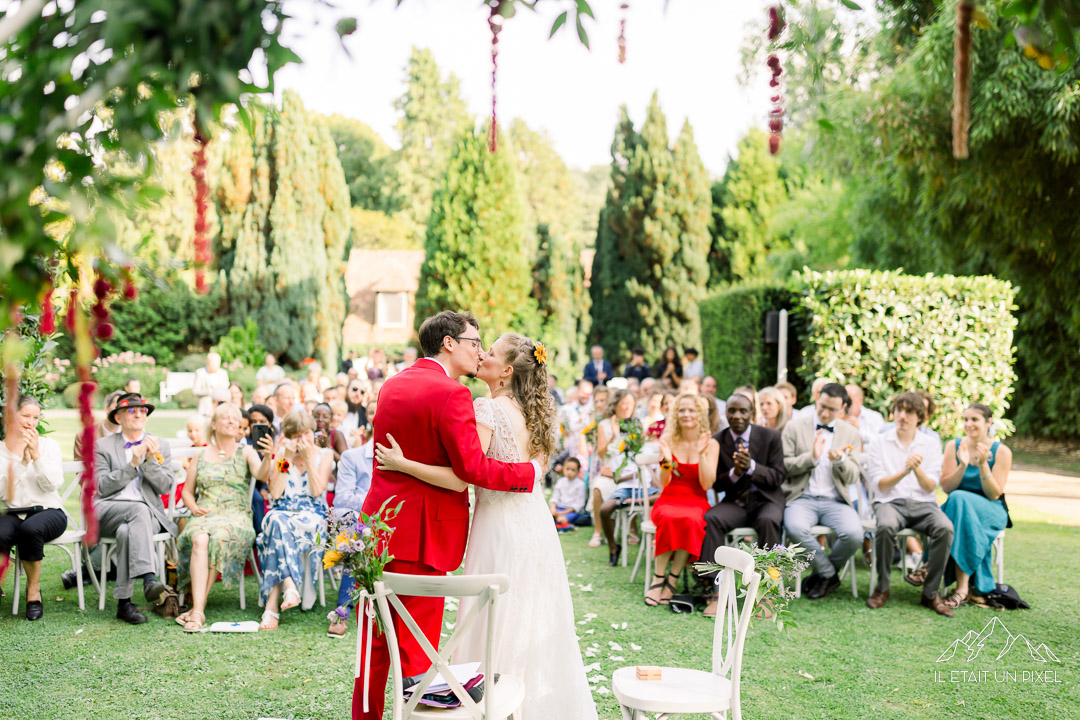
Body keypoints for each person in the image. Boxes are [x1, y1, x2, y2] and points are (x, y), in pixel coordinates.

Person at [374, 326, 597, 720]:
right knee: (532, 615)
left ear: (507, 371)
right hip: (537, 526)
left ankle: (489, 706)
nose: (482, 356)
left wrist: (402, 463)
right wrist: (527, 474)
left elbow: (465, 474)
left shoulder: (487, 408)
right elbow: (532, 470)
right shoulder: (539, 413)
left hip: (498, 528)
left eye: (489, 351)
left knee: (491, 617)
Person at [175, 403, 273, 632]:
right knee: (199, 538)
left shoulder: (246, 451)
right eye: (225, 418)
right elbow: (187, 491)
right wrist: (194, 507)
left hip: (236, 515)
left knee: (219, 536)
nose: (231, 421)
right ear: (214, 424)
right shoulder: (200, 455)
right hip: (205, 512)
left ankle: (197, 610)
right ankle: (198, 609)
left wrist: (268, 456)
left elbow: (261, 474)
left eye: (235, 418)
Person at [864, 393, 954, 617]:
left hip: (923, 504)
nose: (902, 416)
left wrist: (916, 469)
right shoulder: (879, 442)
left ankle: (931, 593)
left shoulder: (931, 444)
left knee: (945, 528)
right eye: (899, 410)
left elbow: (929, 486)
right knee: (884, 526)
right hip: (889, 502)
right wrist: (905, 470)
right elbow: (880, 487)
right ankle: (882, 589)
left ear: (920, 417)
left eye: (909, 412)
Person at [698, 394, 787, 616]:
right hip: (736, 503)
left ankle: (768, 593)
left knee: (768, 520)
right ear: (725, 413)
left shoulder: (771, 436)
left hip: (766, 500)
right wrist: (735, 473)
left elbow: (778, 476)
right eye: (732, 411)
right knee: (712, 519)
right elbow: (716, 484)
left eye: (743, 411)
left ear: (752, 413)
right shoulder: (718, 440)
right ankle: (718, 592)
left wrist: (753, 467)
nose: (737, 416)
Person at [93, 393, 176, 624]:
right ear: (118, 418)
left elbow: (165, 486)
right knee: (136, 511)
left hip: (147, 516)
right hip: (108, 509)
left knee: (126, 530)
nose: (139, 414)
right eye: (132, 410)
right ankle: (149, 579)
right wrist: (132, 465)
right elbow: (100, 487)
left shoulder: (161, 445)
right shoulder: (102, 446)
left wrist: (149, 461)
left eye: (143, 411)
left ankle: (124, 603)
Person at [781, 383, 863, 600]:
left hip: (835, 501)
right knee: (795, 528)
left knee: (854, 534)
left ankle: (819, 575)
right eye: (822, 406)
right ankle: (829, 574)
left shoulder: (851, 433)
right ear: (817, 399)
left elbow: (854, 475)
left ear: (843, 408)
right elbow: (784, 465)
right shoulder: (795, 427)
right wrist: (812, 458)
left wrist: (841, 461)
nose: (825, 413)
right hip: (801, 497)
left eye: (832, 409)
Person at [257, 409, 333, 629]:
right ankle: (288, 587)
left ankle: (273, 605)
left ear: (313, 431)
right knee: (276, 520)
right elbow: (276, 493)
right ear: (288, 437)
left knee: (276, 525)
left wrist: (309, 459)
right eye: (296, 435)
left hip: (313, 517)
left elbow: (318, 490)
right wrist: (287, 458)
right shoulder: (282, 456)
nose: (302, 439)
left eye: (306, 433)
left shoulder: (323, 455)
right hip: (284, 512)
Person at [646, 394, 718, 606]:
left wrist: (703, 454)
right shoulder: (667, 440)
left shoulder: (711, 443)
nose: (686, 414)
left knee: (691, 520)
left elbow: (707, 485)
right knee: (669, 517)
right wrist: (666, 461)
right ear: (675, 414)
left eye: (691, 410)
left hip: (696, 498)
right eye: (682, 410)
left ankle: (672, 579)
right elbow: (664, 482)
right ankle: (658, 579)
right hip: (670, 496)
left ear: (700, 414)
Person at [939, 402, 1013, 609]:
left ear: (988, 422)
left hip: (991, 510)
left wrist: (982, 466)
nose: (968, 424)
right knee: (958, 501)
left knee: (959, 500)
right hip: (959, 509)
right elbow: (947, 487)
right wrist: (962, 465)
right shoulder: (953, 446)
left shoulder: (1001, 451)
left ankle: (931, 567)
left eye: (974, 420)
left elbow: (994, 493)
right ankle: (963, 588)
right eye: (965, 419)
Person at [0, 396, 67, 620]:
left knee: (31, 529)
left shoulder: (49, 446)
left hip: (49, 511)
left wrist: (36, 456)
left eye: (36, 417)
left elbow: (53, 484)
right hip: (13, 511)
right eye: (25, 416)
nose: (31, 422)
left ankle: (33, 592)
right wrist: (22, 464)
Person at [326, 402, 377, 639]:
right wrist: (377, 503)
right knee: (356, 532)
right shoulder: (351, 456)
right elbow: (343, 498)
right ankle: (343, 608)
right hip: (359, 522)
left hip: (392, 521)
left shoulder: (405, 459)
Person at [593, 390, 650, 564]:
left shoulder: (637, 424)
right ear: (616, 404)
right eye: (623, 403)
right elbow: (601, 452)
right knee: (598, 488)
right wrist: (614, 435)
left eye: (630, 404)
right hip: (611, 470)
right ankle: (599, 533)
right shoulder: (605, 424)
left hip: (630, 473)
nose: (626, 407)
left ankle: (633, 529)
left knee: (635, 487)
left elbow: (640, 451)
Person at [73, 389, 124, 460]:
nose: (120, 412)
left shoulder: (133, 437)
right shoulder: (83, 437)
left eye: (124, 409)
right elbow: (81, 469)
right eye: (117, 407)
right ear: (106, 408)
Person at [550, 457, 586, 527]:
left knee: (563, 520)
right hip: (559, 508)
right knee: (548, 517)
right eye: (567, 469)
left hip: (571, 511)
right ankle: (558, 522)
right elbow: (555, 498)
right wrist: (553, 509)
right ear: (563, 469)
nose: (569, 472)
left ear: (578, 471)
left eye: (573, 470)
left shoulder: (580, 484)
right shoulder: (561, 481)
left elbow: (579, 505)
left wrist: (562, 513)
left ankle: (562, 523)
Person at [193, 352, 230, 417]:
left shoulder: (223, 373)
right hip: (204, 408)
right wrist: (210, 392)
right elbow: (195, 391)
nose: (216, 364)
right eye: (213, 362)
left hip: (219, 406)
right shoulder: (200, 372)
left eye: (218, 362)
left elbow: (226, 389)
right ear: (207, 362)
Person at [341, 379, 368, 448]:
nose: (358, 394)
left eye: (362, 392)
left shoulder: (365, 413)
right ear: (346, 390)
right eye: (355, 389)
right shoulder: (336, 408)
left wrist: (363, 435)